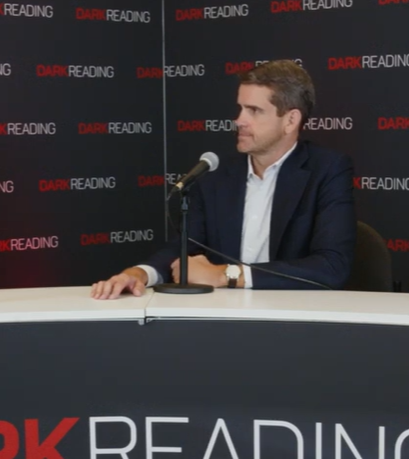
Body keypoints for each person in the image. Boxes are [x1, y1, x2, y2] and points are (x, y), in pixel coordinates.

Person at [90, 60, 354, 298]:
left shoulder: (327, 170)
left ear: (290, 120)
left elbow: (331, 267)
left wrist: (224, 274)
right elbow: (186, 248)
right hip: (221, 320)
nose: (239, 120)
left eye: (254, 110)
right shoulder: (216, 175)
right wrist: (138, 274)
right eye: (240, 108)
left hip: (294, 322)